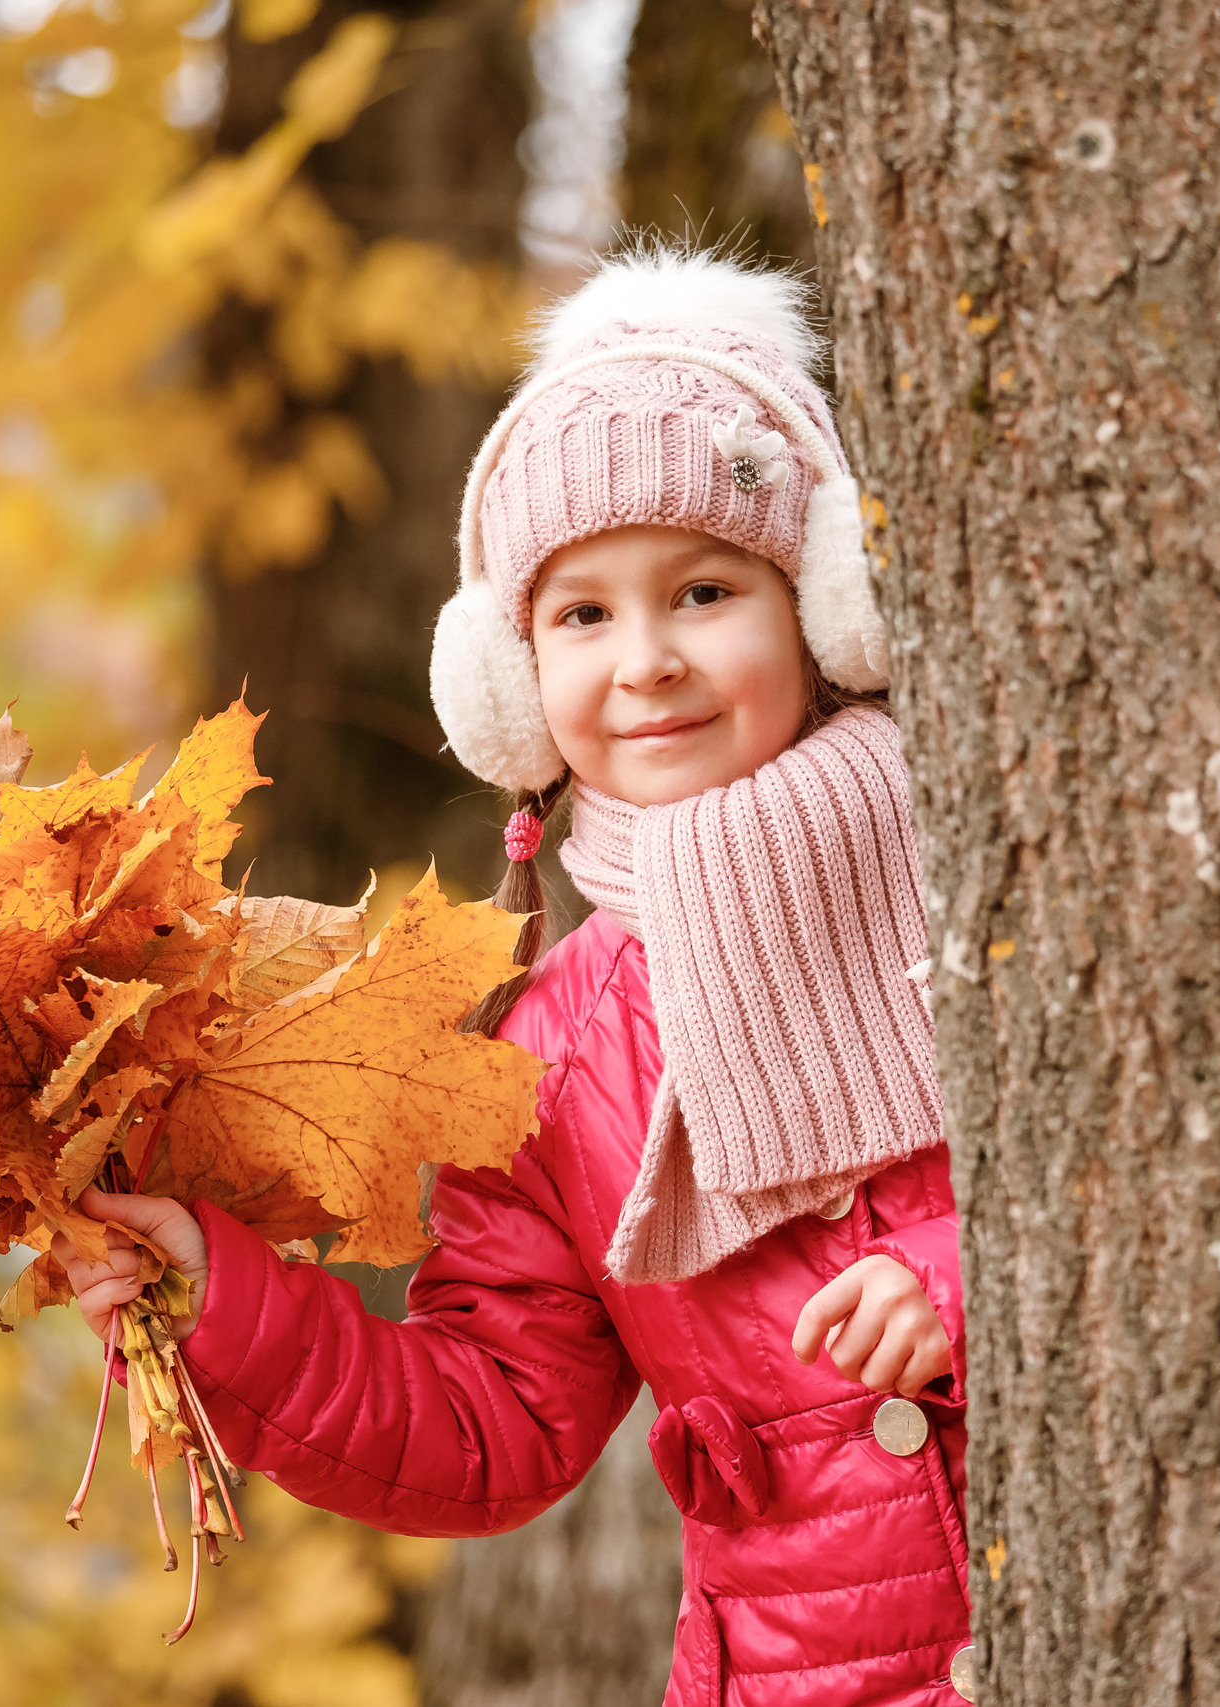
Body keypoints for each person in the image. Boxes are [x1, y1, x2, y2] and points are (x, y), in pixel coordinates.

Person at [62, 243, 973, 1705]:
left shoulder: (981, 884)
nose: (648, 660)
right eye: (584, 615)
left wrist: (961, 1278)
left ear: (822, 604)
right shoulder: (552, 1051)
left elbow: (1158, 1167)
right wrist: (223, 1301)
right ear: (509, 680)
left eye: (705, 591)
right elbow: (491, 1425)